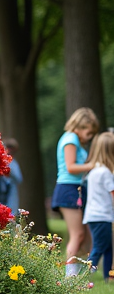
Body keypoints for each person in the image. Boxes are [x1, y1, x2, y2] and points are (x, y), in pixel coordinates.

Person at [53, 107, 99, 276]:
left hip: (76, 189)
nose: (89, 136)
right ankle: (70, 277)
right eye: (88, 131)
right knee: (77, 234)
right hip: (68, 189)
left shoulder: (75, 140)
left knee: (84, 235)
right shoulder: (71, 139)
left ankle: (80, 275)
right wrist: (94, 165)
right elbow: (71, 167)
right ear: (79, 125)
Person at [83, 131, 114, 282]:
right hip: (102, 215)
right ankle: (83, 277)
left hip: (93, 215)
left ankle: (108, 276)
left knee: (107, 247)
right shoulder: (106, 172)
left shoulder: (94, 171)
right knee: (99, 248)